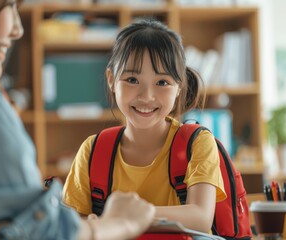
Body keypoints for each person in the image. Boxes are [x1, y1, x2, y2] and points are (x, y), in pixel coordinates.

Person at [0, 0, 155, 239]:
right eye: (10, 4)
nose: (18, 29)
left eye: (162, 82)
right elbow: (46, 233)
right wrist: (120, 224)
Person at [63, 19, 227, 234]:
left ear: (179, 87)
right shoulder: (92, 150)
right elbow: (71, 226)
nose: (146, 96)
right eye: (132, 79)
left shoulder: (196, 143)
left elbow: (200, 218)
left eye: (162, 82)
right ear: (112, 80)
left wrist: (123, 217)